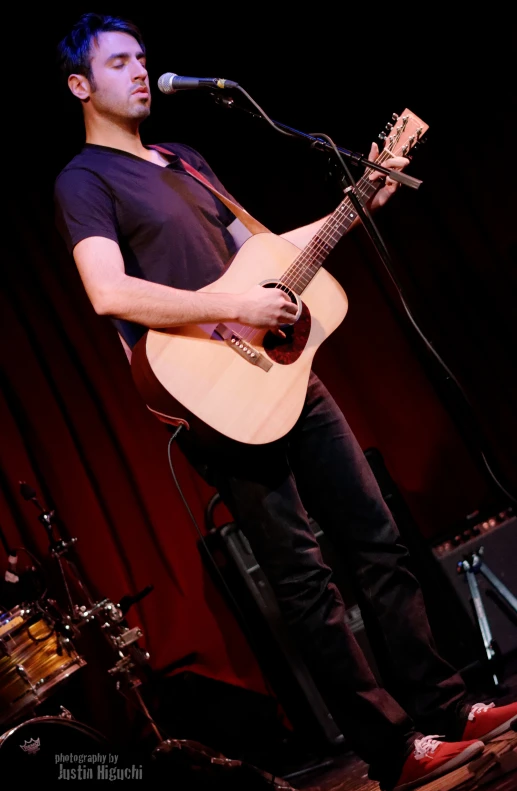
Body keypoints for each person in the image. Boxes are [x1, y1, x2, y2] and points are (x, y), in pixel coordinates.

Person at [53, 13, 517, 791]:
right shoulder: (85, 180)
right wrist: (222, 313)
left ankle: (446, 704)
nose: (140, 71)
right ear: (80, 84)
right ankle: (392, 749)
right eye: (119, 62)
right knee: (304, 578)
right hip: (216, 395)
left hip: (284, 376)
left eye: (143, 57)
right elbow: (107, 291)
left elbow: (265, 257)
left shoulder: (185, 159)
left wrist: (359, 198)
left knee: (375, 539)